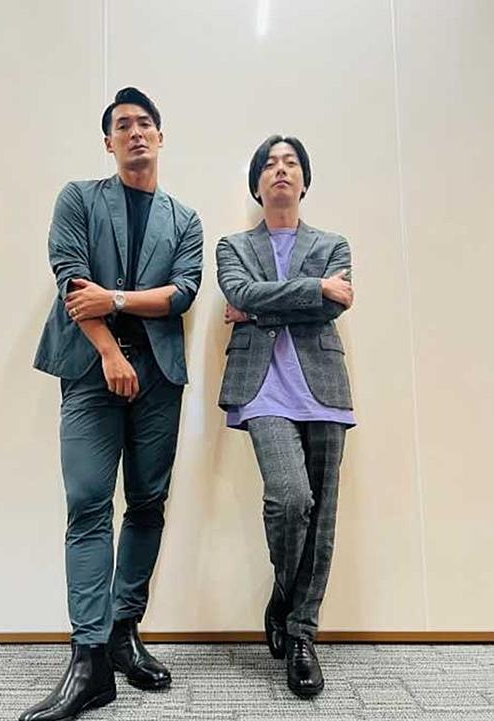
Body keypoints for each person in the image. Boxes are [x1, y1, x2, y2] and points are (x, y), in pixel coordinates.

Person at [20, 87, 203, 721]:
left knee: (148, 504)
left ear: (160, 136)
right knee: (88, 503)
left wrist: (118, 300)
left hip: (159, 377)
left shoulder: (184, 219)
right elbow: (72, 280)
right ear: (108, 142)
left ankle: (125, 632)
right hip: (89, 370)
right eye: (123, 125)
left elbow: (181, 293)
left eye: (144, 123)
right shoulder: (77, 198)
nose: (135, 132)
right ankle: (90, 659)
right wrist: (108, 349)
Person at [216, 134, 355, 699]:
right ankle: (284, 592)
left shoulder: (333, 243)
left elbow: (334, 303)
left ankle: (300, 633)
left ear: (304, 180)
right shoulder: (233, 245)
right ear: (257, 184)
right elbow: (238, 289)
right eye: (270, 164)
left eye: (291, 163)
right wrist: (311, 288)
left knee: (322, 517)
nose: (281, 170)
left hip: (323, 387)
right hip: (262, 390)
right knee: (291, 499)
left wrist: (257, 306)